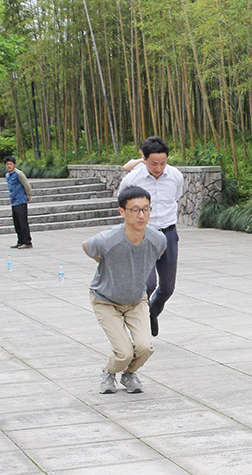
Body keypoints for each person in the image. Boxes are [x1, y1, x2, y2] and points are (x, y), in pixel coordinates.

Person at [82, 186, 167, 394]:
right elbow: (87, 246)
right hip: (105, 299)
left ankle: (128, 374)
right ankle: (108, 371)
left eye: (146, 209)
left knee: (145, 347)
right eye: (135, 210)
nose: (141, 215)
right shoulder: (108, 239)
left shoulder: (158, 240)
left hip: (136, 300)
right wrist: (104, 263)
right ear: (122, 212)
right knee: (123, 352)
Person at [119, 136, 184, 337]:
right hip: (142, 235)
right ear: (144, 158)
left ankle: (151, 313)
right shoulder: (132, 180)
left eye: (163, 163)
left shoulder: (175, 175)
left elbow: (176, 197)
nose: (159, 168)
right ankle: (139, 323)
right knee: (147, 285)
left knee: (167, 287)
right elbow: (123, 206)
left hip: (168, 233)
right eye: (154, 163)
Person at [4, 156, 33, 249]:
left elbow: (26, 185)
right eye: (7, 164)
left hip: (21, 200)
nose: (9, 166)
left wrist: (28, 196)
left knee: (22, 222)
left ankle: (27, 242)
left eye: (10, 164)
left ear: (14, 165)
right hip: (14, 201)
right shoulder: (7, 175)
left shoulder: (19, 174)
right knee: (17, 222)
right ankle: (20, 241)